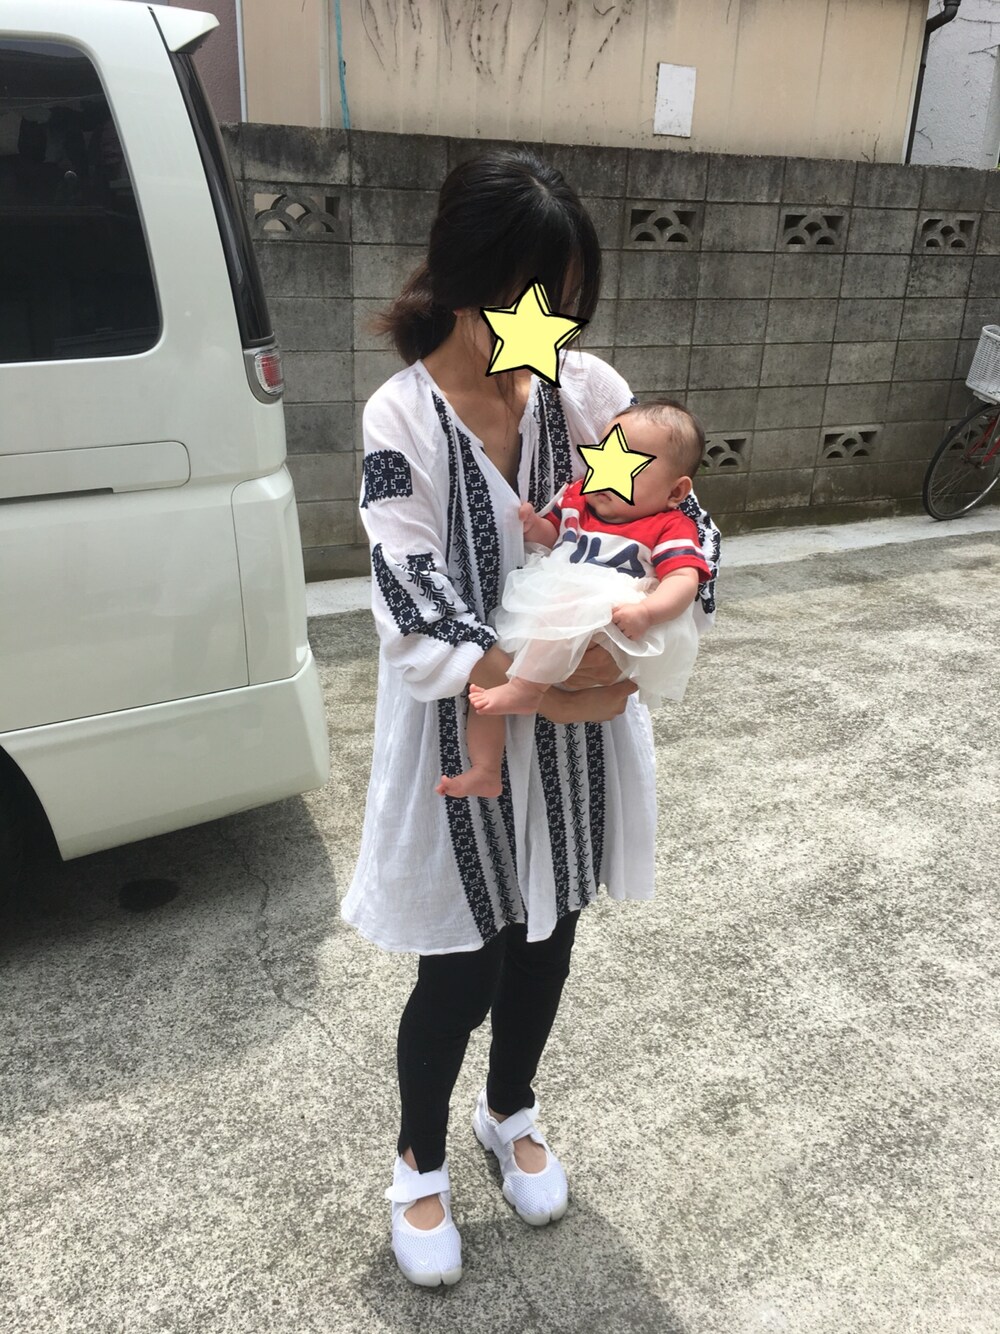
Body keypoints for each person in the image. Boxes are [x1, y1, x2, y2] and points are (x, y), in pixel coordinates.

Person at [341, 148, 721, 1289]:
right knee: (462, 964)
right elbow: (409, 590)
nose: (551, 323)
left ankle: (509, 1107)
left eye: (566, 301)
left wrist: (635, 632)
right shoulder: (402, 418)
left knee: (550, 937)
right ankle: (418, 1159)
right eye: (534, 296)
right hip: (466, 723)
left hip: (581, 729)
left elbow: (682, 519)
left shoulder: (586, 391)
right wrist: (539, 674)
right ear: (467, 282)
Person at [437, 398, 710, 800]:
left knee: (520, 672)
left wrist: (648, 612)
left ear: (676, 490)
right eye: (605, 457)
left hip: (610, 616)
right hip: (549, 608)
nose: (607, 475)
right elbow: (556, 540)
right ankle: (485, 768)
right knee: (485, 683)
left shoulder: (668, 526)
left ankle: (530, 690)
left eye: (629, 465)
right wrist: (534, 527)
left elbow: (684, 579)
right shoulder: (579, 499)